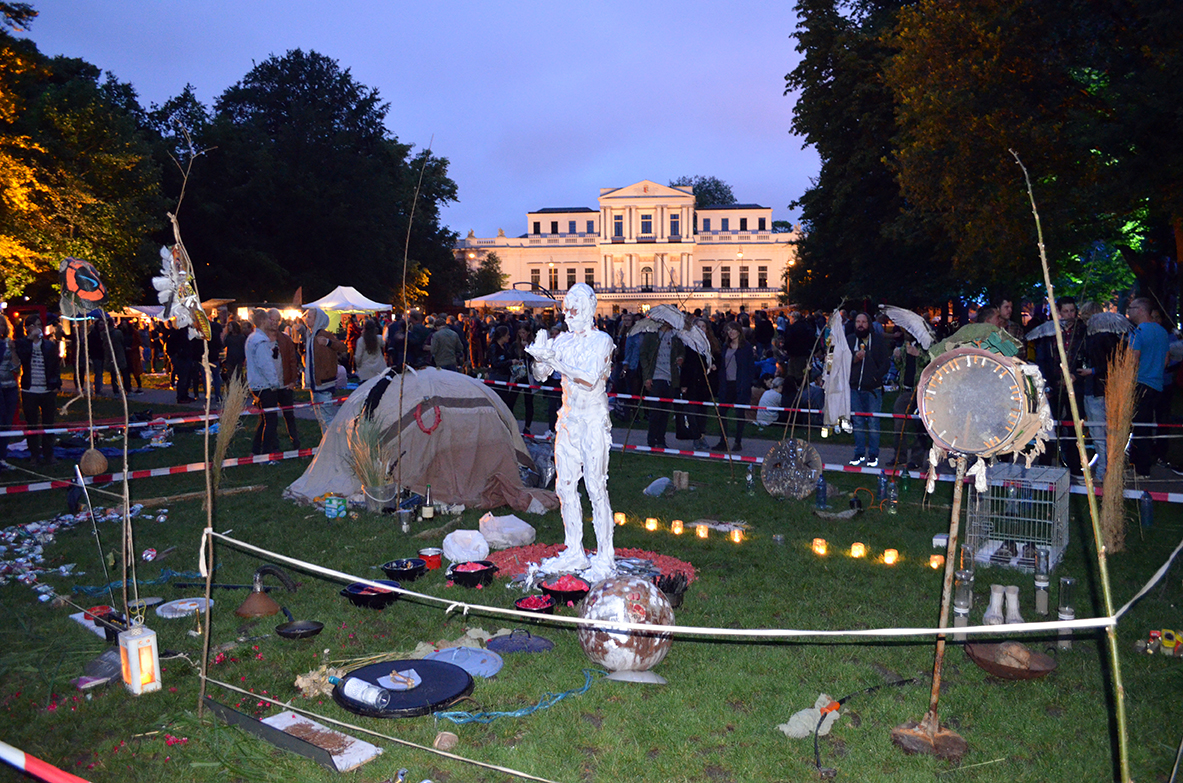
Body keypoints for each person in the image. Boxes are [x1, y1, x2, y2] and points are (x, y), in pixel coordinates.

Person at [525, 283, 616, 581]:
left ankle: (605, 556)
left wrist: (553, 359)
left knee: (595, 487)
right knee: (564, 486)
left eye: (575, 304)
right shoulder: (562, 340)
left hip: (592, 419)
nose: (569, 310)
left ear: (590, 306)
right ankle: (575, 550)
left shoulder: (602, 340)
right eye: (567, 305)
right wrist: (540, 356)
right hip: (568, 420)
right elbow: (541, 376)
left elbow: (590, 379)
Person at [1128, 297, 1169, 477]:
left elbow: (1133, 359)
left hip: (1140, 384)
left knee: (1140, 427)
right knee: (1147, 425)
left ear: (1141, 310)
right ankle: (1143, 461)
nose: (1129, 311)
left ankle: (1142, 468)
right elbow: (1166, 360)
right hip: (1158, 385)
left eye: (1131, 308)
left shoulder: (1137, 332)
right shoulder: (1162, 332)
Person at [14, 314, 61, 465]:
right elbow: (21, 355)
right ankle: (34, 454)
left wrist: (55, 385)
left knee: (49, 424)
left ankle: (49, 454)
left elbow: (55, 366)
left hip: (47, 390)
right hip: (30, 390)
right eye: (34, 325)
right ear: (28, 328)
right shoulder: (23, 344)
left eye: (40, 325)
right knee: (31, 424)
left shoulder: (49, 345)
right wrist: (30, 340)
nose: (38, 328)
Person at [846, 312, 890, 467]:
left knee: (873, 422)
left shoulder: (877, 341)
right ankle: (859, 454)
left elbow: (886, 362)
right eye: (858, 321)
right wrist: (854, 358)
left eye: (863, 321)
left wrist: (875, 377)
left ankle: (873, 455)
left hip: (873, 389)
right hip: (854, 388)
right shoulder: (850, 340)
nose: (860, 324)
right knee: (857, 422)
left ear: (869, 324)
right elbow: (842, 360)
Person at [639, 321, 684, 449]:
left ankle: (661, 439)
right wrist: (647, 376)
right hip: (656, 376)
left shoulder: (676, 336)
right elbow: (643, 355)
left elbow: (681, 351)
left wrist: (680, 357)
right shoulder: (652, 335)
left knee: (665, 411)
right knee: (655, 411)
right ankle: (652, 438)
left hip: (671, 377)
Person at [301, 307, 347, 433]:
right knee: (321, 417)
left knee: (327, 417)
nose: (306, 319)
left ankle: (334, 442)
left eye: (309, 317)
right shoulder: (310, 335)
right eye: (306, 316)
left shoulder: (324, 335)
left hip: (324, 382)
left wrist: (328, 342)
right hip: (315, 383)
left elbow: (343, 347)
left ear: (318, 320)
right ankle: (326, 443)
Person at [714, 321, 755, 451]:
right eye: (729, 330)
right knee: (722, 412)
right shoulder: (726, 346)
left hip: (740, 384)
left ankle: (738, 441)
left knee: (739, 413)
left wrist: (746, 383)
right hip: (727, 384)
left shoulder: (746, 347)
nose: (731, 332)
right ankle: (723, 440)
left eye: (733, 330)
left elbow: (749, 367)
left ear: (739, 331)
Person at [267, 309, 302, 451]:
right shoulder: (261, 340)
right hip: (269, 387)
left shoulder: (285, 339)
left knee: (289, 416)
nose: (274, 323)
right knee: (270, 419)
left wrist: (293, 381)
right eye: (272, 320)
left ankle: (296, 444)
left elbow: (293, 361)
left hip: (285, 384)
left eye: (277, 320)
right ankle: (273, 448)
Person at [0, 315, 18, 469]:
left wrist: (12, 351)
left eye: (2, 325)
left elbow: (17, 368)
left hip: (10, 386)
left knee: (7, 423)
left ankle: (2, 457)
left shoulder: (9, 343)